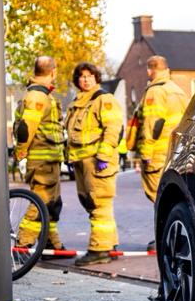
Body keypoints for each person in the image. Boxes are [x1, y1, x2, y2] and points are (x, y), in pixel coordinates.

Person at [64, 62, 122, 265]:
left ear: (96, 78)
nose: (86, 79)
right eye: (82, 76)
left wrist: (104, 156)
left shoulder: (103, 99)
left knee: (99, 204)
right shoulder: (78, 102)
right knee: (91, 203)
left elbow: (113, 128)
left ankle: (99, 250)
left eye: (90, 76)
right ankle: (109, 243)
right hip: (82, 162)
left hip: (97, 162)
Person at [11, 56, 65, 253]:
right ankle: (23, 244)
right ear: (53, 71)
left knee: (52, 202)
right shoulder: (37, 97)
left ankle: (52, 243)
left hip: (49, 159)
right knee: (40, 202)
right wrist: (21, 152)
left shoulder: (39, 94)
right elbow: (27, 127)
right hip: (43, 160)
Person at [127, 55, 188, 217]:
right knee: (172, 195)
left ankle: (163, 230)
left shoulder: (155, 91)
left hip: (157, 152)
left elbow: (152, 124)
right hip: (175, 150)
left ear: (149, 71)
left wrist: (146, 153)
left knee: (158, 196)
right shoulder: (178, 90)